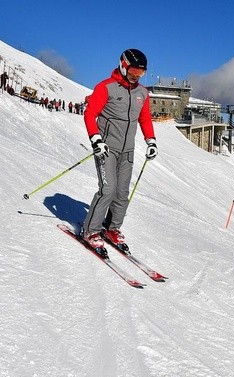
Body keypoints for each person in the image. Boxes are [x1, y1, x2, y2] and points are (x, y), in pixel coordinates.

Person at [81, 48, 157, 251]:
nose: (136, 76)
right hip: (106, 149)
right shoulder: (106, 88)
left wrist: (151, 141)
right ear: (123, 66)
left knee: (122, 193)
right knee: (108, 190)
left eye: (140, 73)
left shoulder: (142, 93)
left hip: (127, 151)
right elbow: (90, 114)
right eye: (133, 71)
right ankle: (91, 230)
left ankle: (112, 228)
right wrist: (96, 139)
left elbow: (144, 118)